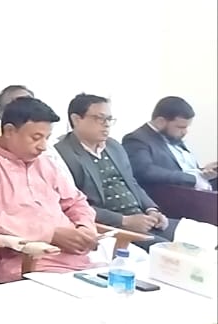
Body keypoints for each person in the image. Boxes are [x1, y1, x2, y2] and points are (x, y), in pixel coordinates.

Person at [0, 97, 98, 283]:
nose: (43, 146)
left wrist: (85, 228)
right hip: (27, 263)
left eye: (47, 138)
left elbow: (75, 201)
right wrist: (49, 234)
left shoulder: (44, 162)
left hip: (77, 259)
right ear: (10, 131)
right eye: (36, 138)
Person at [55, 94, 176, 250]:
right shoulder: (62, 154)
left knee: (199, 234)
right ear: (76, 119)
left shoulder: (114, 146)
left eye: (109, 119)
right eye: (100, 118)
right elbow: (74, 204)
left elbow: (131, 183)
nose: (106, 125)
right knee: (171, 251)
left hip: (143, 219)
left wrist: (152, 210)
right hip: (113, 227)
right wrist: (124, 220)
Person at [123, 96, 217, 191]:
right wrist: (193, 179)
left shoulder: (172, 137)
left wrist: (203, 172)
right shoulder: (137, 139)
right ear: (160, 121)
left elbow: (181, 170)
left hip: (196, 192)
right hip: (167, 196)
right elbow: (143, 171)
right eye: (181, 127)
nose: (185, 132)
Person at [0, 85, 73, 185]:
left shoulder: (47, 149)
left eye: (30, 102)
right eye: (18, 104)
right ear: (1, 115)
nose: (42, 147)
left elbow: (68, 188)